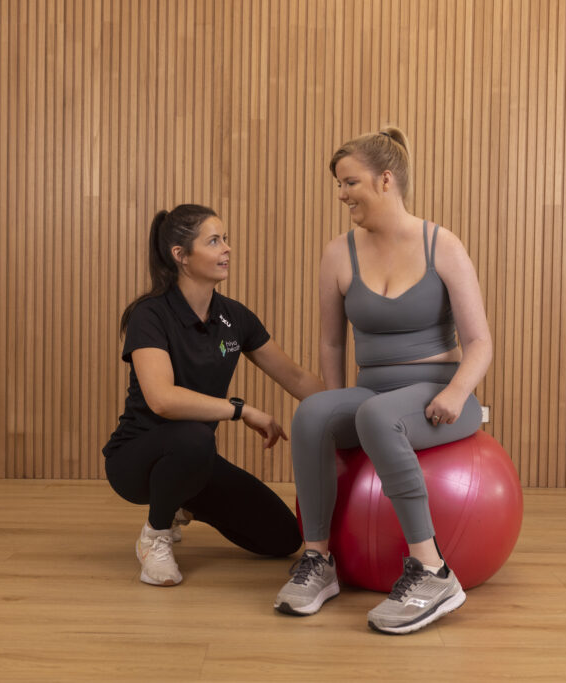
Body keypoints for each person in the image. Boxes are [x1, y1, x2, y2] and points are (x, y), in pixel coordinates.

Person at [274, 128, 493, 634]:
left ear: (386, 179)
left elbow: (481, 342)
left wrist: (457, 393)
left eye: (349, 182)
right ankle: (318, 560)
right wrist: (333, 407)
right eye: (338, 184)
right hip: (373, 390)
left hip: (437, 391)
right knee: (311, 413)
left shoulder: (443, 245)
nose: (341, 193)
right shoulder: (338, 253)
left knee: (375, 414)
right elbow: (332, 344)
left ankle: (433, 570)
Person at [103, 204, 323, 587]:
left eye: (226, 240)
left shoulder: (235, 318)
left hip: (194, 459)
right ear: (181, 256)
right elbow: (162, 400)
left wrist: (356, 407)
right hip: (135, 461)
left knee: (283, 538)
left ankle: (178, 503)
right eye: (215, 241)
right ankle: (154, 537)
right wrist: (240, 410)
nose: (227, 249)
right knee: (194, 435)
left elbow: (296, 377)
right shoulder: (150, 315)